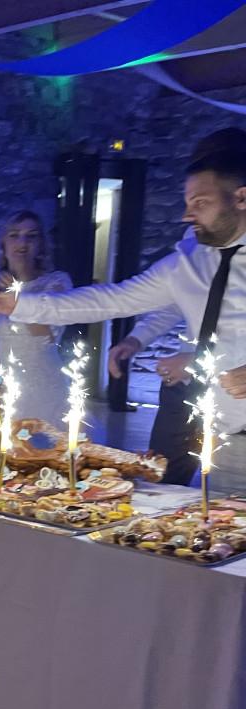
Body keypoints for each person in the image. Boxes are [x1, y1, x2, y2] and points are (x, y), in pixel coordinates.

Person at [0, 146, 246, 489]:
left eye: (200, 203)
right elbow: (111, 299)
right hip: (231, 439)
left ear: (240, 198)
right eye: (187, 203)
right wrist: (22, 305)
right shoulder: (187, 262)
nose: (187, 215)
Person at [104, 129, 246, 484]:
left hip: (220, 375)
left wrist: (197, 361)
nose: (190, 213)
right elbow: (173, 299)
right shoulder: (198, 239)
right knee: (165, 474)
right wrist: (136, 339)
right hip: (188, 382)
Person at [0, 210, 72, 422]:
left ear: (40, 244)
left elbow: (48, 336)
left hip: (42, 385)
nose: (22, 242)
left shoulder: (57, 283)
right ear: (3, 245)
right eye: (14, 235)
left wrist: (18, 300)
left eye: (31, 236)